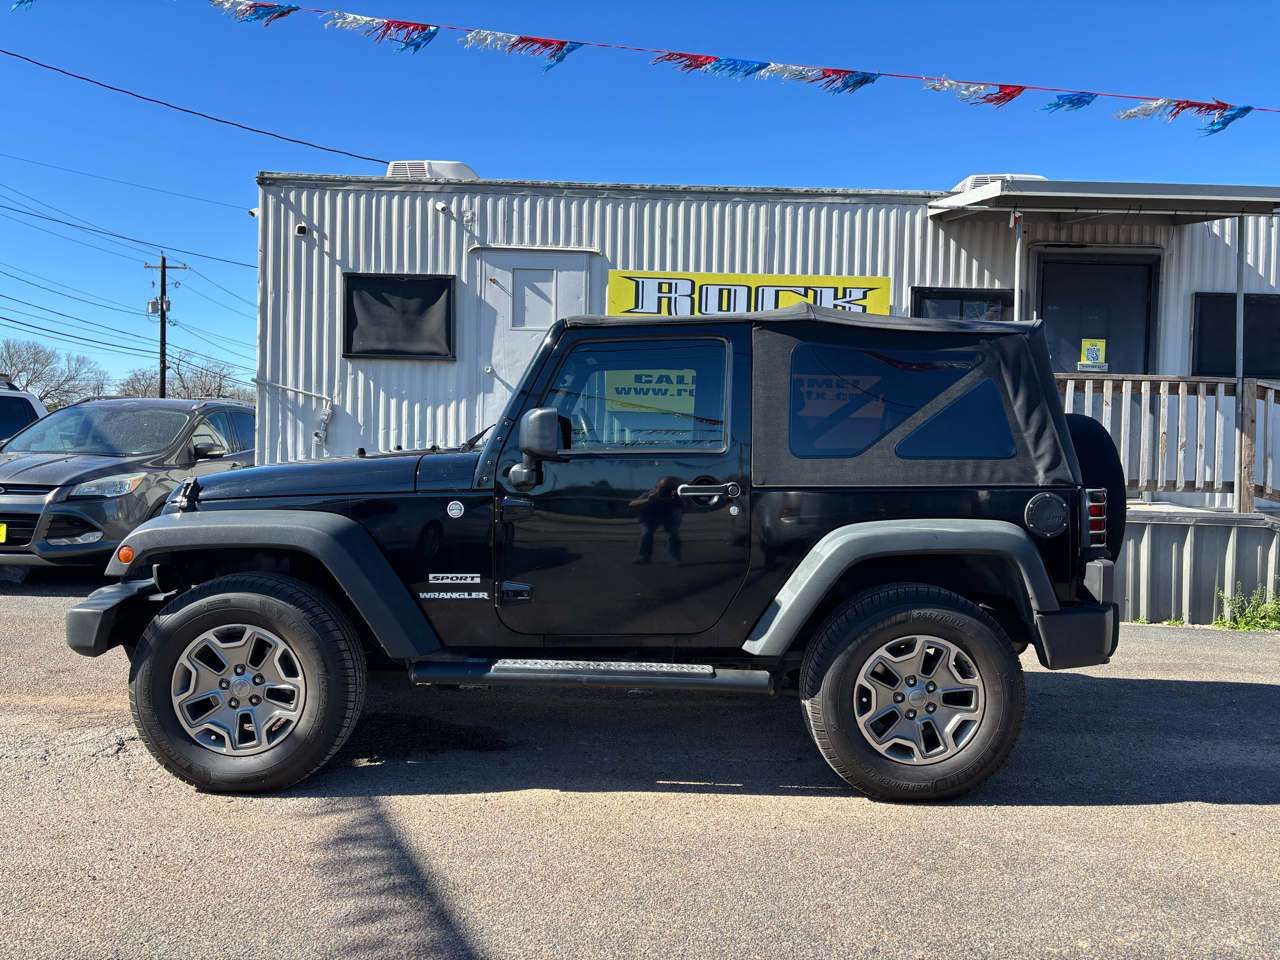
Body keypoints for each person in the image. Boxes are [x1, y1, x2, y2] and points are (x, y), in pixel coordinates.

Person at [630, 475, 684, 563]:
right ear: (657, 487)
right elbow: (632, 504)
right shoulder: (651, 494)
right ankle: (644, 557)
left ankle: (673, 558)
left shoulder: (679, 496)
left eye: (669, 488)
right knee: (646, 534)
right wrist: (647, 500)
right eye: (662, 488)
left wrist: (681, 497)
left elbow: (690, 506)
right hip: (650, 517)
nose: (665, 491)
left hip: (670, 517)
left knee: (672, 535)